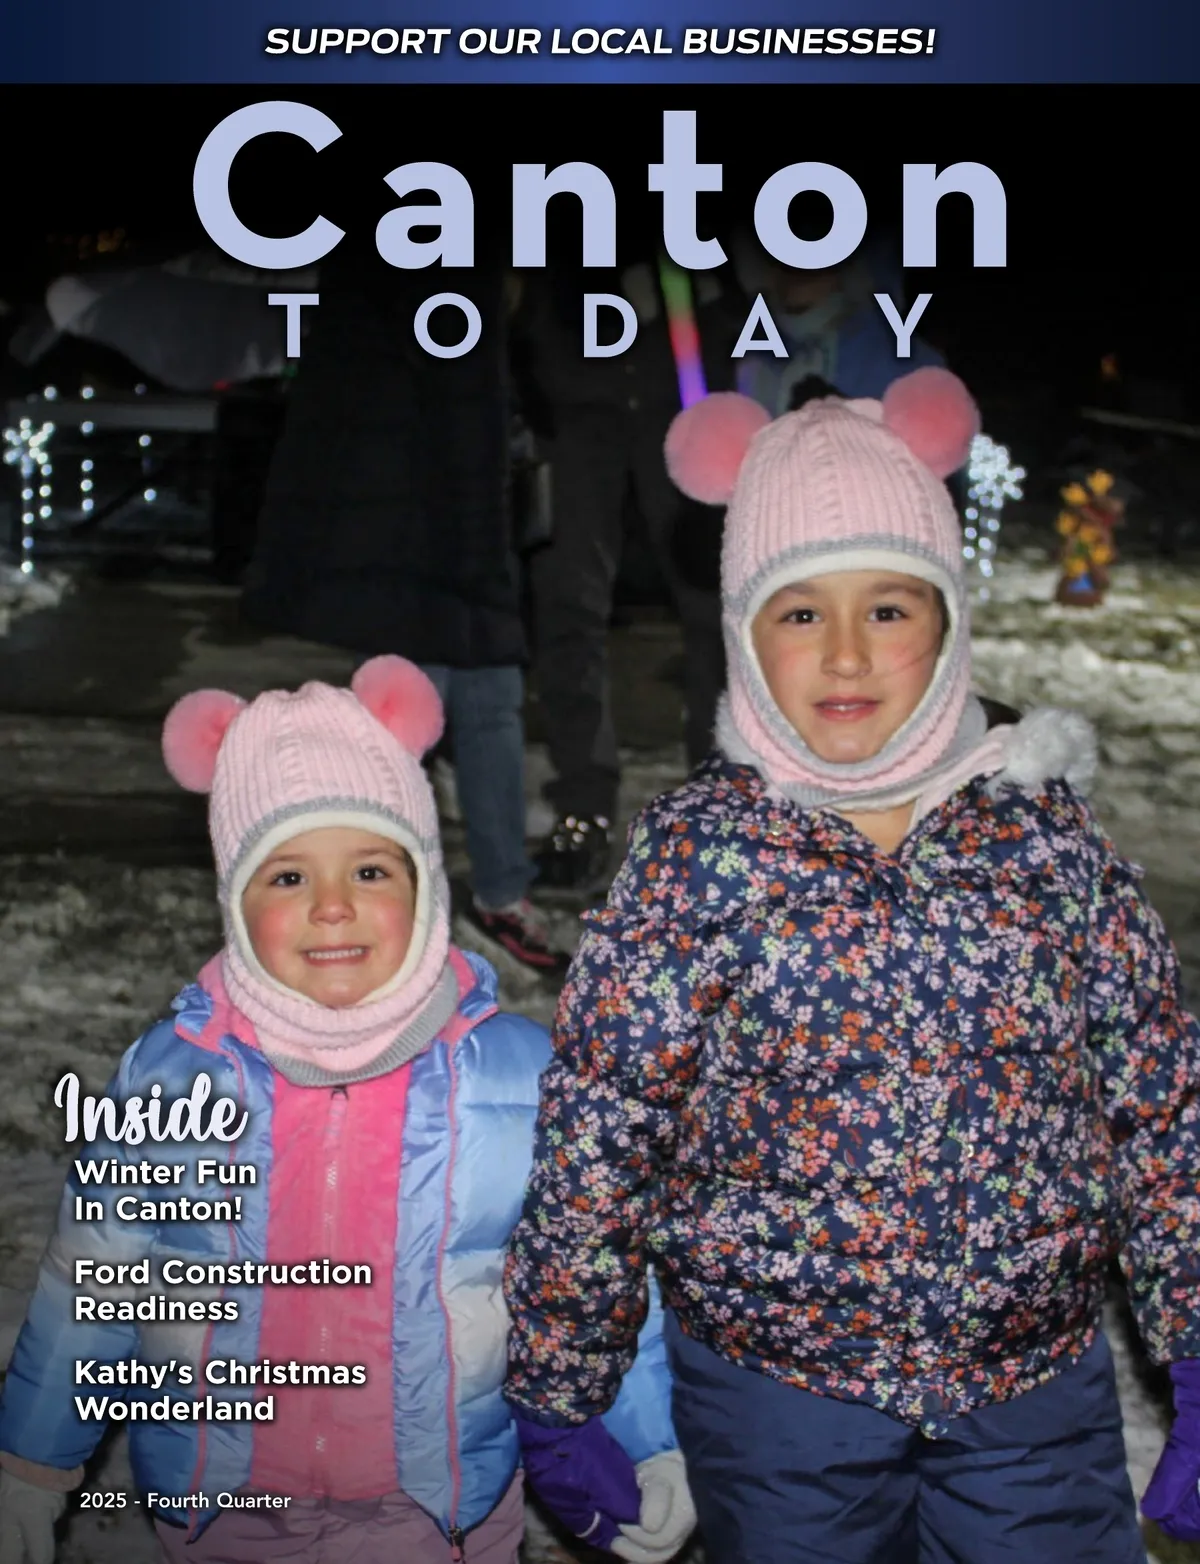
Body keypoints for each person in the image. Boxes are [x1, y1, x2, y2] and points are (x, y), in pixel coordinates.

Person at [502, 368, 1200, 1562]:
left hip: (1029, 1390)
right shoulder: (700, 859)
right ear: (741, 631)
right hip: (781, 1396)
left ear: (949, 620)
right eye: (799, 613)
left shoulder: (1046, 842)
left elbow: (1159, 1107)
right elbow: (601, 1129)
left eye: (886, 608)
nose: (844, 655)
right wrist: (560, 1381)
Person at [0, 658, 681, 1564]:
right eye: (286, 877)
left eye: (368, 868)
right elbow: (96, 1280)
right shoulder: (174, 1081)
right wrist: (31, 1459)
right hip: (226, 1512)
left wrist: (652, 1439)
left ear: (425, 883)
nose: (332, 907)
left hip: (441, 1513)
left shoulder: (518, 1080)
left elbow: (595, 1280)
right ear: (234, 900)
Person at [240, 241, 564, 974]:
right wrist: (483, 552)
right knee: (450, 708)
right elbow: (462, 415)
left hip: (390, 520)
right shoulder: (450, 260)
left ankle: (428, 893)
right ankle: (436, 895)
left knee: (449, 705)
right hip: (433, 528)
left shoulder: (384, 255)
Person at [511, 256, 745, 899]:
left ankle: (722, 808)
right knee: (567, 605)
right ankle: (581, 809)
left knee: (715, 608)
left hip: (687, 381)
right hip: (569, 388)